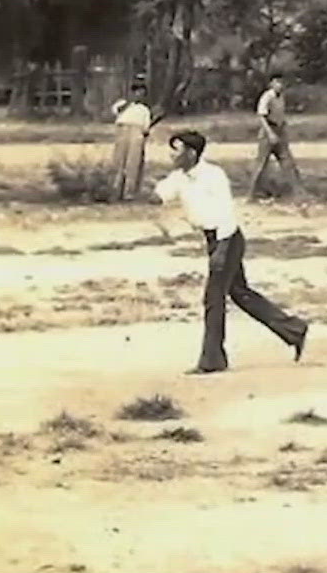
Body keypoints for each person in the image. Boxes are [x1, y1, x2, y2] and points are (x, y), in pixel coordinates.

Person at [156, 130, 309, 375]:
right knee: (240, 293)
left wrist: (221, 250)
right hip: (213, 239)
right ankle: (293, 329)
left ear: (191, 153)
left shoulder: (213, 175)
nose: (172, 154)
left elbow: (226, 214)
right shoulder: (180, 177)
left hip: (227, 237)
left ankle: (212, 359)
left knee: (213, 299)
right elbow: (161, 194)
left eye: (177, 149)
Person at [249, 72, 304, 201]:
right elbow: (261, 116)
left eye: (282, 82)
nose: (280, 85)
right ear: (271, 83)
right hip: (268, 130)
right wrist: (270, 133)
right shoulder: (267, 97)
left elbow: (281, 116)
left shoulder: (281, 97)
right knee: (261, 164)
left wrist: (283, 130)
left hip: (279, 130)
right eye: (277, 82)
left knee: (288, 162)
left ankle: (297, 192)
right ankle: (252, 195)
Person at [108, 82, 155, 201]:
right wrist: (129, 102)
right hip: (123, 130)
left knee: (133, 162)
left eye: (142, 93)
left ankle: (129, 192)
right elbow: (116, 111)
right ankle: (115, 190)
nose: (139, 95)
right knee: (119, 161)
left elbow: (146, 127)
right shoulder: (122, 104)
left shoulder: (144, 109)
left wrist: (143, 134)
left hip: (137, 131)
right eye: (137, 92)